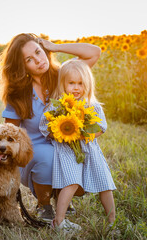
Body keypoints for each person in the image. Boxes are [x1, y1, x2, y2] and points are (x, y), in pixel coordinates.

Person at [0, 33, 101, 221]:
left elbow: (94, 53)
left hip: (66, 145)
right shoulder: (19, 93)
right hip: (35, 153)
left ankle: (63, 196)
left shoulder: (64, 75)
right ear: (22, 66)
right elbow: (9, 133)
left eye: (38, 52)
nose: (38, 60)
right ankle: (43, 204)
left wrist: (56, 46)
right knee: (48, 156)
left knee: (81, 159)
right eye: (29, 59)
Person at [39, 59, 116, 233]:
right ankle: (58, 222)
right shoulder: (57, 106)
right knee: (71, 182)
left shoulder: (93, 106)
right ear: (63, 84)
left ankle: (112, 222)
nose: (76, 88)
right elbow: (44, 126)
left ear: (87, 84)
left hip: (90, 150)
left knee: (105, 183)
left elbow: (102, 127)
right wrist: (62, 132)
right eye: (71, 83)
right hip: (66, 150)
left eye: (80, 83)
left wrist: (84, 134)